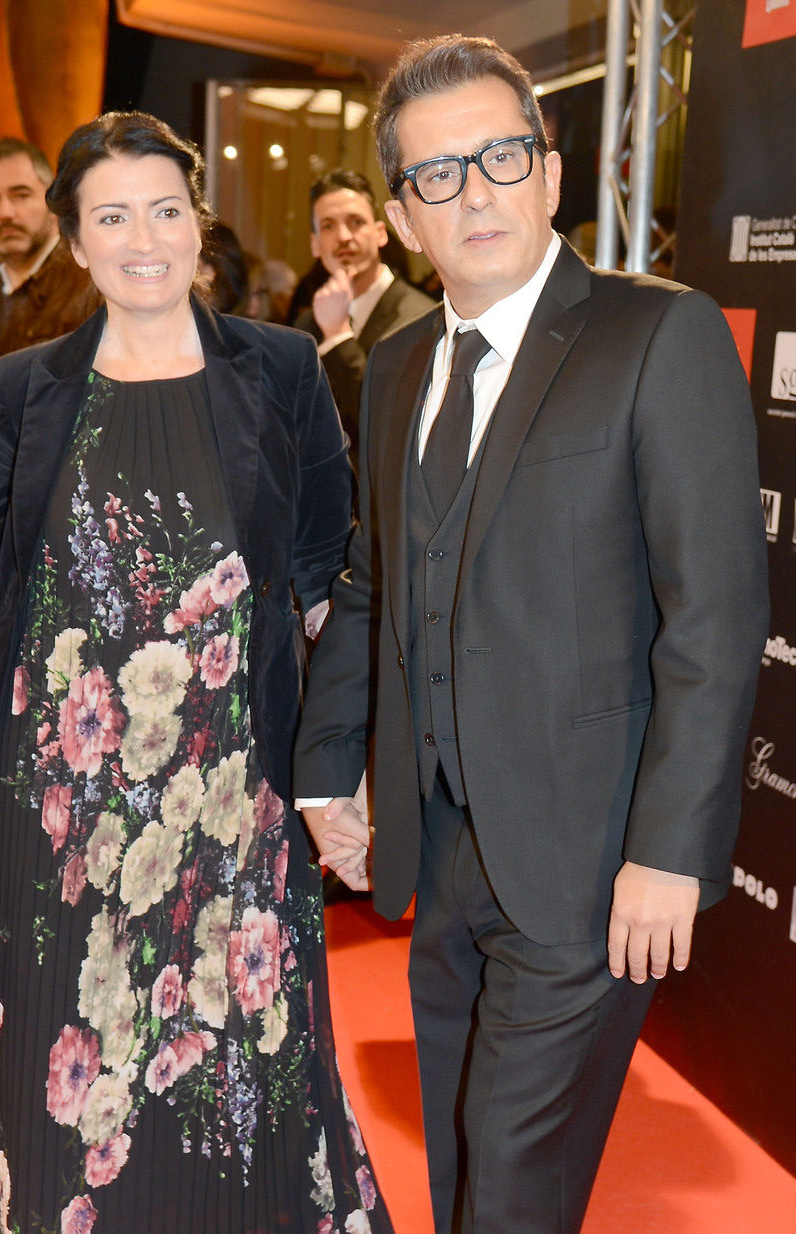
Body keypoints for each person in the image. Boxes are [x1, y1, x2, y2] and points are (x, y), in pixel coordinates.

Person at [0, 110, 391, 1234]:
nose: (142, 237)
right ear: (77, 238)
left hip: (233, 805)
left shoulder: (279, 367)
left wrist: (339, 770)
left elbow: (325, 585)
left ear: (197, 223)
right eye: (112, 216)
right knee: (65, 1098)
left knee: (244, 1088)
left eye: (164, 209)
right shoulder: (26, 386)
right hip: (58, 816)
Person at [293, 34, 769, 1234]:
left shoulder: (658, 336)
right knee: (459, 1155)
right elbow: (371, 578)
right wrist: (329, 773)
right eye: (439, 174)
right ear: (404, 216)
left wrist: (669, 850)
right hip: (442, 845)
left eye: (503, 156)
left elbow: (713, 617)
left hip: (591, 855)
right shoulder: (397, 366)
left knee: (510, 1180)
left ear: (552, 176)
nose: (478, 192)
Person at [0, 136, 100, 517]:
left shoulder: (91, 286)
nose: (5, 212)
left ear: (52, 199)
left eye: (21, 195)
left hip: (64, 520)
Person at [295, 169, 433, 456]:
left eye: (356, 223)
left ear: (380, 233)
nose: (343, 237)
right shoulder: (308, 322)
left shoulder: (420, 318)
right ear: (315, 244)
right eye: (329, 226)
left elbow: (390, 426)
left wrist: (338, 338)